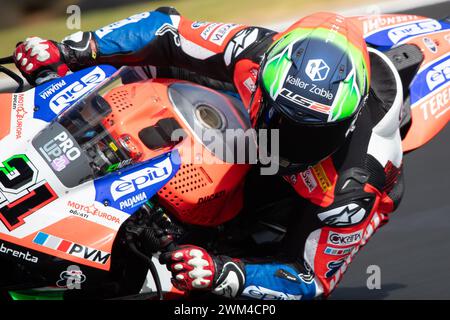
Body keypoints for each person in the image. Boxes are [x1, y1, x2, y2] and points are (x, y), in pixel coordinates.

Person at [13, 8, 405, 299]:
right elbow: (167, 28)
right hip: (238, 123)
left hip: (304, 192)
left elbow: (313, 278)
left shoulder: (357, 183)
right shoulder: (256, 52)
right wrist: (76, 49)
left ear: (348, 124)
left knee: (207, 286)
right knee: (149, 70)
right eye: (285, 119)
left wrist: (225, 272)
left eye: (309, 131)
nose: (291, 140)